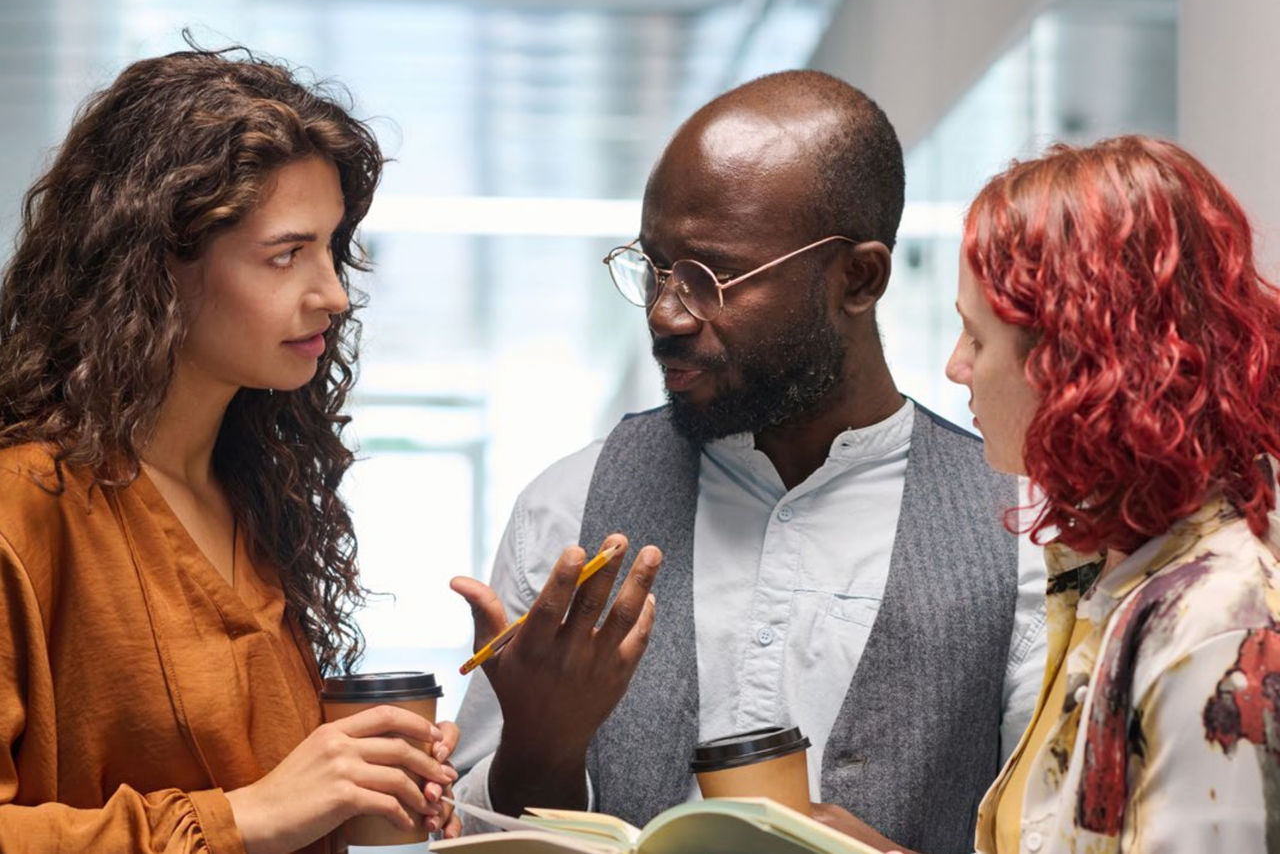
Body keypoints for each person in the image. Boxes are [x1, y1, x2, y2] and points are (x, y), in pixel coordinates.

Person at [450, 69, 1047, 854]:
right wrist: (540, 746)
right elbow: (476, 837)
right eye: (656, 268)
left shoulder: (1025, 534)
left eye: (711, 276)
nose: (666, 312)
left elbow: (1063, 833)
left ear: (858, 279)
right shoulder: (567, 510)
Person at [0, 45, 459, 853]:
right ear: (156, 267)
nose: (335, 293)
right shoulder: (23, 508)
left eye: (333, 248)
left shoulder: (249, 491)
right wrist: (245, 818)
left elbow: (267, 797)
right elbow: (249, 814)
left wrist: (356, 784)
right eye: (286, 254)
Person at [941, 135, 1280, 854]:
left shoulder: (1218, 624)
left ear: (1074, 362)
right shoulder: (1122, 572)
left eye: (975, 338)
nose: (954, 367)